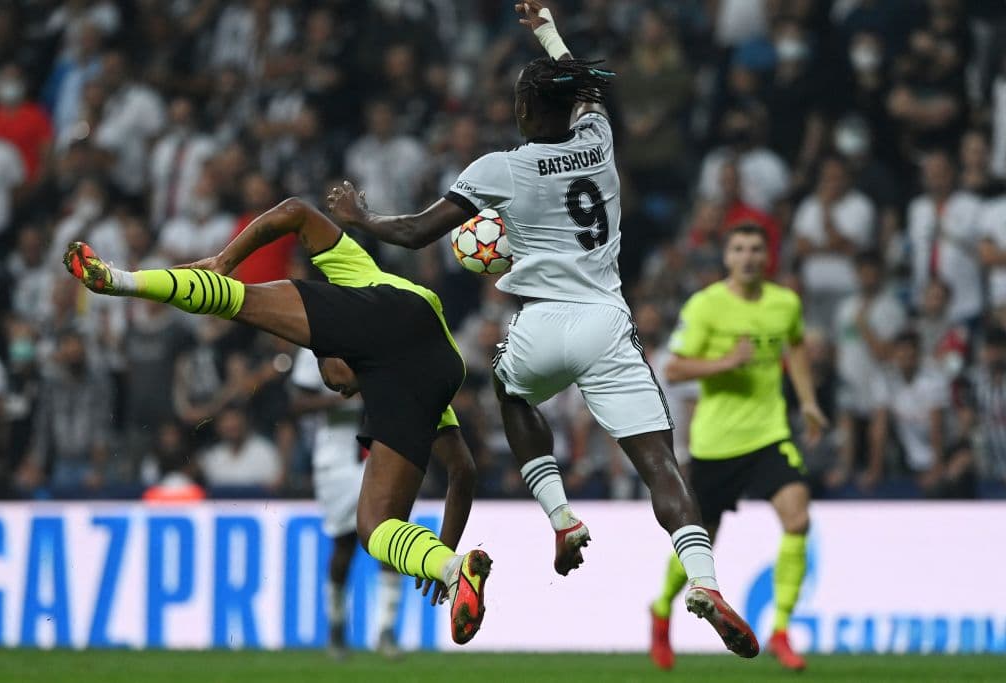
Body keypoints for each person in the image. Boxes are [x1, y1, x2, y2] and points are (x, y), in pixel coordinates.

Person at [326, 0, 758, 660]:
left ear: (526, 110)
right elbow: (585, 87)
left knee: (510, 391)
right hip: (608, 322)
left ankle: (561, 516)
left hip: (542, 322)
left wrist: (362, 217)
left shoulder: (500, 168)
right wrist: (551, 32)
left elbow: (414, 233)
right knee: (660, 464)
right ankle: (704, 581)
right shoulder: (598, 140)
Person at [62, 195, 487, 645]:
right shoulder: (407, 381)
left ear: (331, 352)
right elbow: (463, 471)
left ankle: (118, 280)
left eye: (333, 379)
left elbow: (296, 210)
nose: (342, 391)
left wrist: (225, 260)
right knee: (376, 527)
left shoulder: (353, 284)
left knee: (237, 300)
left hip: (395, 317)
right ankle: (454, 570)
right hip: (442, 359)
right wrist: (444, 554)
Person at [653, 224, 829, 671]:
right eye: (738, 249)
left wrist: (808, 402)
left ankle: (781, 630)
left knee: (798, 519)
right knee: (702, 542)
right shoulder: (706, 305)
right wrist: (726, 362)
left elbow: (796, 349)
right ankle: (661, 607)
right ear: (726, 257)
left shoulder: (784, 303)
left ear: (768, 256)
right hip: (716, 443)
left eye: (755, 249)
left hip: (770, 434)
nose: (747, 257)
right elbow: (673, 369)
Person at [289, 346, 402, 658]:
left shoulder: (382, 337)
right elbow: (297, 404)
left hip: (382, 448)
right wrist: (348, 397)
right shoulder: (317, 346)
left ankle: (386, 630)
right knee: (344, 544)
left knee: (390, 537)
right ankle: (336, 628)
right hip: (337, 455)